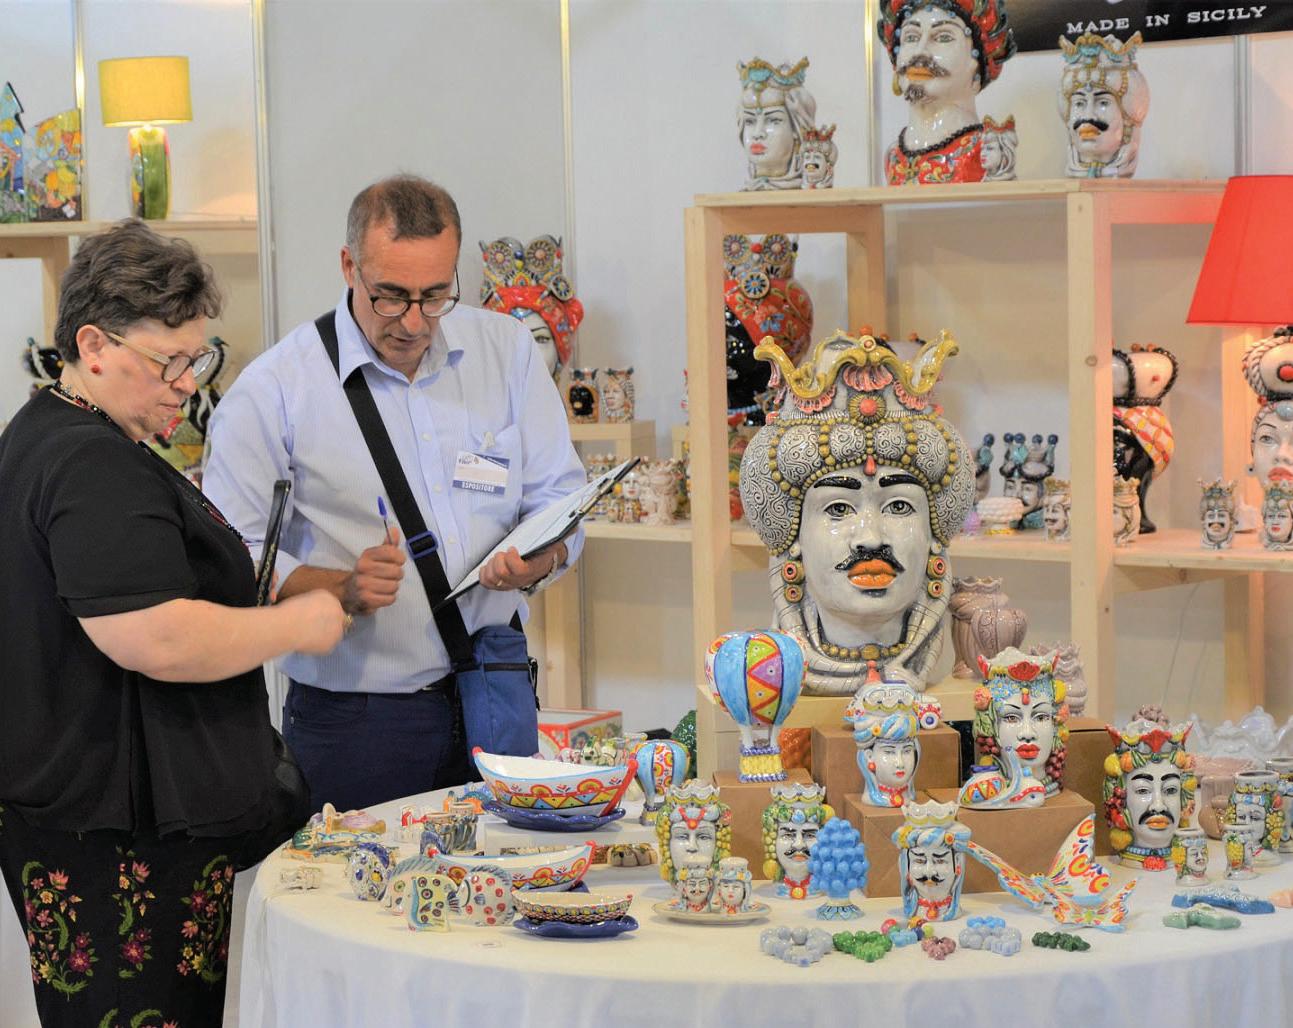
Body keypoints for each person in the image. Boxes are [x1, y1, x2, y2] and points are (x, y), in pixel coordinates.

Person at [0, 220, 346, 1028]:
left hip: (88, 823)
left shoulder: (50, 433)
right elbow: (153, 635)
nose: (187, 383)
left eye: (199, 359)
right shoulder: (89, 460)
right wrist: (297, 623)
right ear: (93, 345)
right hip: (119, 843)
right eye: (169, 362)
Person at [203, 175, 584, 813]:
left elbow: (562, 498)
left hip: (494, 691)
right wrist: (337, 587)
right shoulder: (276, 390)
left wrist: (541, 559)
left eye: (435, 296)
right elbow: (230, 554)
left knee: (505, 873)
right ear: (349, 267)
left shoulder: (507, 351)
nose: (414, 322)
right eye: (391, 297)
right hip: (354, 726)